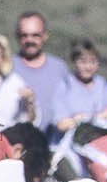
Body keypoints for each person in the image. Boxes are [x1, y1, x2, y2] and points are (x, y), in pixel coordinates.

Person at [8, 11, 75, 140]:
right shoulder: (8, 67)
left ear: (45, 36)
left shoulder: (59, 67)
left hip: (56, 142)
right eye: (24, 35)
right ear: (17, 36)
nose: (29, 40)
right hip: (19, 142)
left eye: (35, 35)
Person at [56, 39, 107, 135]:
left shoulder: (106, 86)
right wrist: (101, 116)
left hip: (100, 139)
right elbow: (62, 124)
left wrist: (80, 118)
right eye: (83, 62)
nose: (88, 67)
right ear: (74, 62)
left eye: (92, 61)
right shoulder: (65, 86)